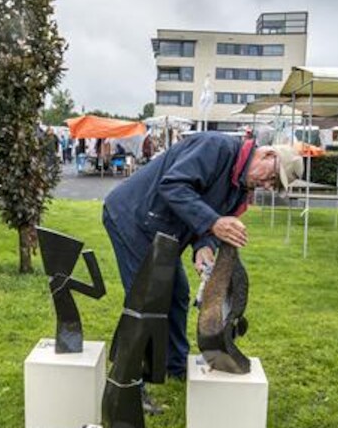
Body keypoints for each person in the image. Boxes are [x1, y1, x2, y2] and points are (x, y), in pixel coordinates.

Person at [102, 131, 303, 410]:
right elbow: (173, 185)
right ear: (267, 155)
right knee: (146, 300)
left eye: (273, 185)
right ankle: (129, 383)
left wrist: (204, 246)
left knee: (178, 293)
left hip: (163, 229)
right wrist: (212, 223)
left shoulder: (240, 189)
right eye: (271, 177)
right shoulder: (215, 147)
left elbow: (211, 218)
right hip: (131, 217)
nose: (267, 186)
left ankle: (174, 366)